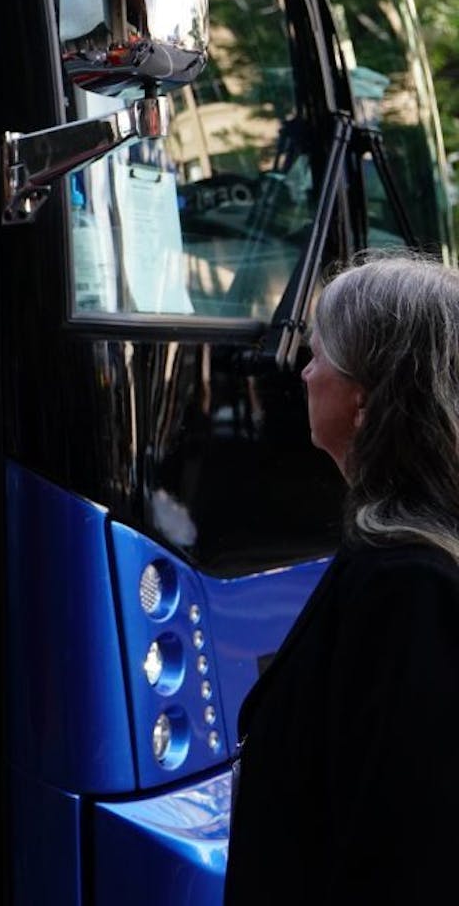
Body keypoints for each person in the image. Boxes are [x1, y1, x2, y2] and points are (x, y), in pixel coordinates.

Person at [224, 254, 459, 904]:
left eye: (319, 353)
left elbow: (403, 857)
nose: (301, 371)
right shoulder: (399, 557)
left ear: (366, 397)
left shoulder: (408, 584)